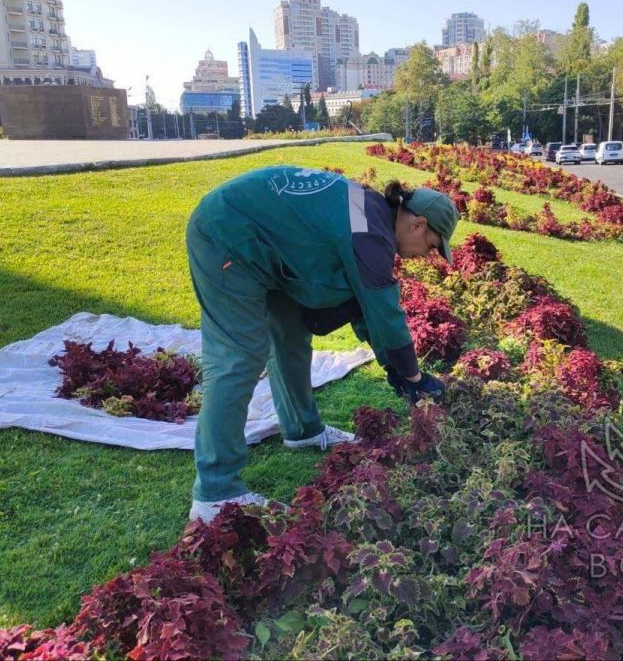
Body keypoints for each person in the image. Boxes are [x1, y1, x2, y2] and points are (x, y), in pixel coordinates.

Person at [185, 166, 459, 522]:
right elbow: (383, 312)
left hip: (264, 244)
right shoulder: (371, 235)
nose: (427, 256)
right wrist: (413, 377)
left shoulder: (370, 212)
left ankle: (302, 429)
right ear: (418, 225)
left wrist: (397, 368)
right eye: (432, 246)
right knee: (238, 357)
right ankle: (216, 491)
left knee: (290, 336)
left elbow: (364, 304)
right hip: (227, 236)